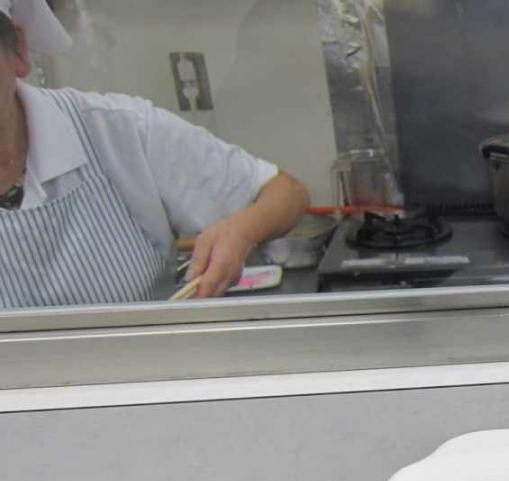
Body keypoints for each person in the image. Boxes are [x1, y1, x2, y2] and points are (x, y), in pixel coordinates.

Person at [0, 1, 309, 308]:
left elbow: (285, 193)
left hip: (151, 342)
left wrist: (241, 232)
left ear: (18, 52)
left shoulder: (115, 130)